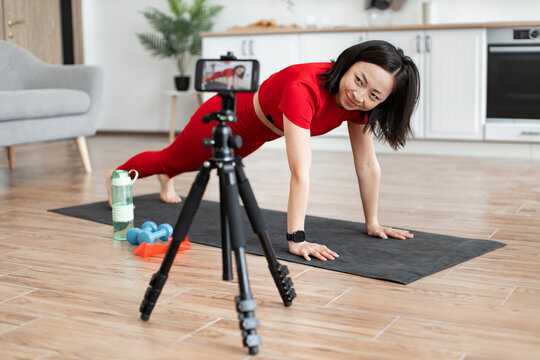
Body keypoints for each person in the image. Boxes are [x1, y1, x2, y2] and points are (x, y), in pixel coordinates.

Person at [107, 40, 420, 262]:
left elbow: (366, 165)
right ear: (347, 64)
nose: (358, 94)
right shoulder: (305, 87)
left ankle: (168, 176)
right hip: (233, 119)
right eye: (358, 79)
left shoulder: (359, 107)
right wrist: (296, 239)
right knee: (173, 157)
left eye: (373, 94)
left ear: (383, 102)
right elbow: (300, 170)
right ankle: (119, 174)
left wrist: (373, 222)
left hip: (258, 135)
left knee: (199, 163)